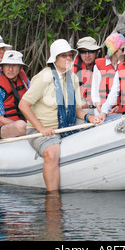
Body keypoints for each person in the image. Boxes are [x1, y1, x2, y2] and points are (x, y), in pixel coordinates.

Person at [19, 39, 102, 191]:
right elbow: (23, 105)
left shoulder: (73, 78)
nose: (68, 59)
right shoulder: (43, 78)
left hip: (67, 124)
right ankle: (53, 198)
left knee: (97, 131)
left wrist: (88, 118)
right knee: (52, 152)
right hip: (41, 129)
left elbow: (76, 108)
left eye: (70, 55)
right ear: (55, 59)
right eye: (63, 56)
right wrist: (41, 128)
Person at [0, 50, 29, 140]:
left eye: (14, 65)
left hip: (23, 123)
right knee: (21, 126)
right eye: (7, 65)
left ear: (20, 68)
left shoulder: (24, 82)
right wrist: (29, 127)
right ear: (2, 67)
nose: (10, 69)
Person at [91, 32, 125, 115]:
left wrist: (120, 106)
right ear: (115, 50)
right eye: (123, 49)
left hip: (120, 108)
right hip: (101, 106)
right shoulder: (99, 65)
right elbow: (95, 89)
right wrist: (99, 106)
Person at [73, 36, 101, 112]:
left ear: (96, 52)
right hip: (75, 107)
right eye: (83, 52)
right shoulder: (70, 68)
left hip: (95, 107)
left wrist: (89, 104)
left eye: (91, 51)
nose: (87, 55)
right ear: (79, 53)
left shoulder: (102, 67)